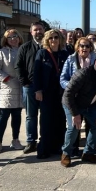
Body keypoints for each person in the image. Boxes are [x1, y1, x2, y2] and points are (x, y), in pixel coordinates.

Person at [61, 53, 96, 167]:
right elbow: (68, 94)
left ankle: (88, 153)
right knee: (74, 128)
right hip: (73, 104)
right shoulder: (83, 73)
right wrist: (75, 114)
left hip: (90, 105)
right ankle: (66, 153)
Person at [33, 29, 69, 159]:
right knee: (46, 121)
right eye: (51, 38)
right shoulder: (42, 53)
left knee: (60, 120)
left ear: (60, 39)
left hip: (61, 93)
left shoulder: (65, 54)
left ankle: (58, 146)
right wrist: (37, 90)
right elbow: (36, 73)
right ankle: (44, 149)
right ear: (47, 40)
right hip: (46, 93)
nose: (53, 40)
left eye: (56, 37)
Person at [60, 36, 96, 157]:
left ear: (90, 47)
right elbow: (63, 78)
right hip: (73, 98)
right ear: (77, 47)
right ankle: (68, 151)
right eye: (82, 45)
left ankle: (89, 150)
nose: (84, 48)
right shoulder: (70, 59)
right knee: (74, 126)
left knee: (95, 123)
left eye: (87, 46)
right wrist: (72, 86)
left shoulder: (95, 59)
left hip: (89, 99)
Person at [0, 29, 25, 154]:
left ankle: (15, 140)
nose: (13, 39)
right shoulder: (1, 53)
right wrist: (7, 78)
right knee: (3, 116)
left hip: (20, 88)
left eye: (15, 36)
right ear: (6, 39)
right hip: (6, 88)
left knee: (17, 116)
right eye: (10, 37)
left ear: (19, 37)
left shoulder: (23, 51)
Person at [15, 21, 45, 154]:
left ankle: (44, 140)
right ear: (31, 32)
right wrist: (25, 82)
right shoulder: (25, 47)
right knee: (30, 116)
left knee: (45, 115)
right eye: (36, 30)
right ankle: (31, 141)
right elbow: (18, 66)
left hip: (46, 87)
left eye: (40, 29)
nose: (38, 32)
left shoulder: (49, 46)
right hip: (30, 87)